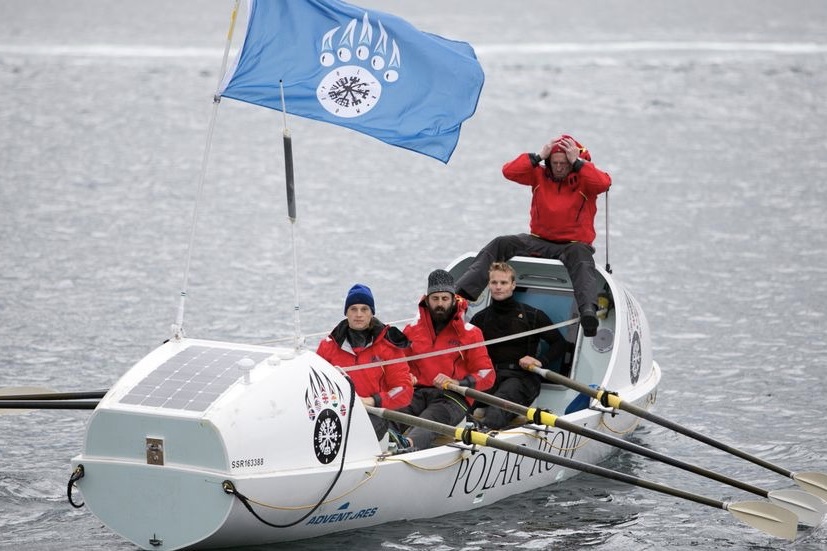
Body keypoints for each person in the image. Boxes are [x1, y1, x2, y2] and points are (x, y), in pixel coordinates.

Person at [454, 134, 611, 337]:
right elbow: (508, 171)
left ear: (572, 162)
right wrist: (538, 155)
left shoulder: (585, 178)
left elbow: (604, 183)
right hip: (537, 240)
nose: (559, 167)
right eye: (555, 162)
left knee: (582, 260)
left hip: (573, 245)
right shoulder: (539, 174)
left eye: (564, 163)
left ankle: (588, 313)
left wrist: (579, 163)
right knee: (501, 243)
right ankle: (462, 294)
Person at [397, 269, 496, 451]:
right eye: (435, 299)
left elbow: (487, 374)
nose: (440, 304)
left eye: (444, 298)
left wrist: (457, 382)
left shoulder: (470, 333)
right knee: (392, 415)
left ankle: (406, 447)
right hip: (417, 393)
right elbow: (399, 366)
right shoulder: (411, 330)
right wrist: (405, 376)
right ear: (427, 300)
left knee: (430, 419)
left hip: (453, 396)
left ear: (453, 299)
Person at [469, 262, 568, 429]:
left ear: (513, 285)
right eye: (494, 283)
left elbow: (560, 344)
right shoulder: (479, 319)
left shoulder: (533, 316)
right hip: (491, 378)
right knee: (460, 404)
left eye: (504, 283)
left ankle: (485, 431)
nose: (498, 287)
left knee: (497, 406)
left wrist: (540, 360)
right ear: (489, 285)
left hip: (522, 378)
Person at [316, 283, 413, 441]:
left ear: (371, 314)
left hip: (376, 413)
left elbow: (404, 390)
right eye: (353, 309)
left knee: (351, 438)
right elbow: (316, 385)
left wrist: (373, 400)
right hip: (338, 412)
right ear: (346, 313)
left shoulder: (388, 346)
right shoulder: (328, 345)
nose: (359, 314)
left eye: (364, 309)